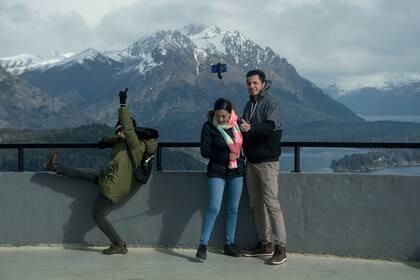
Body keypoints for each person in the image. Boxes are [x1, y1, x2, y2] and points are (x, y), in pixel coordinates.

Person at [43, 89, 157, 255]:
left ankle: (119, 244)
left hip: (113, 187)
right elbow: (117, 138)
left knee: (97, 216)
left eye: (121, 130)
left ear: (130, 131)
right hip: (108, 178)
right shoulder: (122, 142)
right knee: (82, 173)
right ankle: (53, 167)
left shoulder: (135, 146)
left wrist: (123, 105)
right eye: (117, 130)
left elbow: (128, 129)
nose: (119, 133)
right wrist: (105, 141)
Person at [239, 69, 287, 265]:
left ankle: (281, 247)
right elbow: (245, 131)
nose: (251, 86)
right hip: (251, 162)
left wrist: (251, 127)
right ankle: (265, 244)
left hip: (267, 163)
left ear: (264, 84)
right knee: (256, 205)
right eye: (249, 83)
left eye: (255, 83)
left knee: (272, 204)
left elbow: (270, 127)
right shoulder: (248, 104)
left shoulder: (271, 104)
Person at [196, 98, 244, 261]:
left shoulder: (237, 125)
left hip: (237, 171)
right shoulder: (209, 126)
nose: (221, 119)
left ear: (230, 114)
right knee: (213, 208)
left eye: (224, 116)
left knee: (233, 210)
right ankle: (203, 245)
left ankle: (229, 244)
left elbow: (244, 145)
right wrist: (225, 156)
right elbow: (205, 151)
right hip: (217, 171)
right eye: (218, 116)